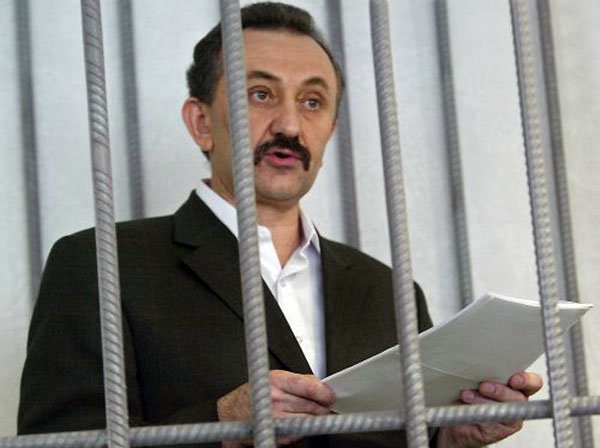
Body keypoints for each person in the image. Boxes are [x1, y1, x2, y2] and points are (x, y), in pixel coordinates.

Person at [18, 3, 542, 447]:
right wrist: (224, 423)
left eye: (312, 102)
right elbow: (55, 442)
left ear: (330, 128)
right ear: (201, 123)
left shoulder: (386, 289)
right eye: (260, 94)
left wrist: (449, 437)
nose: (290, 125)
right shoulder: (103, 265)